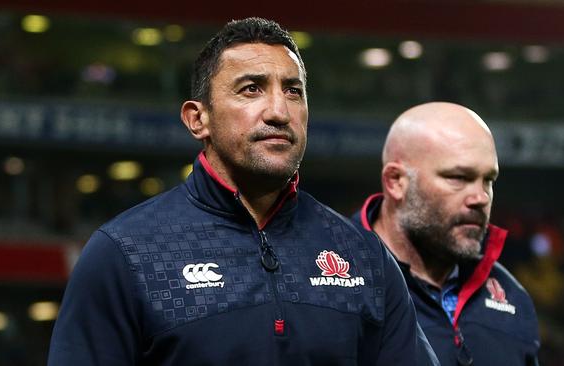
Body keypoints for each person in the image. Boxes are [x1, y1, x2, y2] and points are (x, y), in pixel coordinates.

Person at [47, 18, 439, 366]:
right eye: (252, 89)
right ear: (198, 119)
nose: (278, 112)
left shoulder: (364, 255)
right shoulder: (124, 254)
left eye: (293, 91)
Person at [353, 102, 540, 365]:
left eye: (488, 180)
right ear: (395, 182)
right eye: (458, 177)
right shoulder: (331, 279)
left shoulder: (509, 296)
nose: (481, 197)